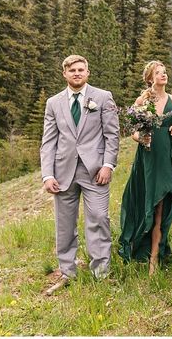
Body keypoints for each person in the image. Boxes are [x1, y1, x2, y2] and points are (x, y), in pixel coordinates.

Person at [40, 55, 119, 295]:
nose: (77, 73)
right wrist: (47, 175)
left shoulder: (103, 97)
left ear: (88, 72)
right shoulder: (53, 103)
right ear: (64, 73)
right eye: (72, 70)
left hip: (95, 172)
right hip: (63, 172)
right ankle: (67, 272)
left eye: (81, 69)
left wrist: (108, 165)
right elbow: (49, 141)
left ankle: (101, 273)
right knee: (64, 225)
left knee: (98, 218)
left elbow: (112, 135)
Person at [118, 61, 172, 275]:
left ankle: (155, 255)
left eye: (165, 71)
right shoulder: (142, 100)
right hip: (147, 156)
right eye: (158, 72)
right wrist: (141, 139)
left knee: (162, 205)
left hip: (167, 156)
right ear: (150, 78)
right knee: (150, 202)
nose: (163, 74)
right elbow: (133, 130)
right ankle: (144, 245)